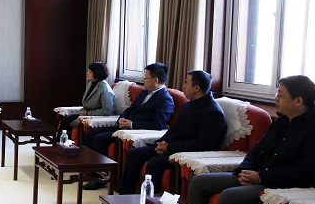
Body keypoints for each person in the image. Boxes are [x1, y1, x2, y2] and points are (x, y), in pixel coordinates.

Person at [184, 75, 315, 204]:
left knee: (230, 196)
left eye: (280, 95)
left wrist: (261, 177)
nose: (276, 98)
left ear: (298, 101)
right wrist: (245, 170)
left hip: (280, 185)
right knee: (200, 182)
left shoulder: (311, 129)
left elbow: (304, 172)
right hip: (255, 174)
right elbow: (255, 150)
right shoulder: (280, 121)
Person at [118, 70, 226, 194]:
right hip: (172, 147)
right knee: (134, 154)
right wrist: (161, 142)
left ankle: (146, 200)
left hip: (187, 153)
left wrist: (169, 147)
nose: (183, 86)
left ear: (196, 88)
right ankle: (125, 195)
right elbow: (174, 130)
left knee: (155, 163)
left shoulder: (213, 112)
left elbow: (202, 144)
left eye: (186, 83)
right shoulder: (187, 105)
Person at [82, 62, 175, 190]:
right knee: (90, 134)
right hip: (124, 126)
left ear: (155, 80)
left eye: (145, 78)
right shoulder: (144, 93)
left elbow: (158, 124)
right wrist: (122, 118)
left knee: (99, 139)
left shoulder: (165, 99)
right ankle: (90, 173)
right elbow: (131, 108)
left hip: (135, 131)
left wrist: (131, 124)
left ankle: (101, 178)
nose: (143, 80)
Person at [55, 62, 115, 141]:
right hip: (86, 114)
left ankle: (66, 146)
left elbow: (107, 111)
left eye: (90, 72)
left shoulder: (105, 89)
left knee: (68, 124)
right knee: (65, 122)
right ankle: (59, 145)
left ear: (97, 74)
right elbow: (87, 103)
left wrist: (87, 113)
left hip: (95, 116)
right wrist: (84, 110)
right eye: (88, 71)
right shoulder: (90, 84)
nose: (87, 73)